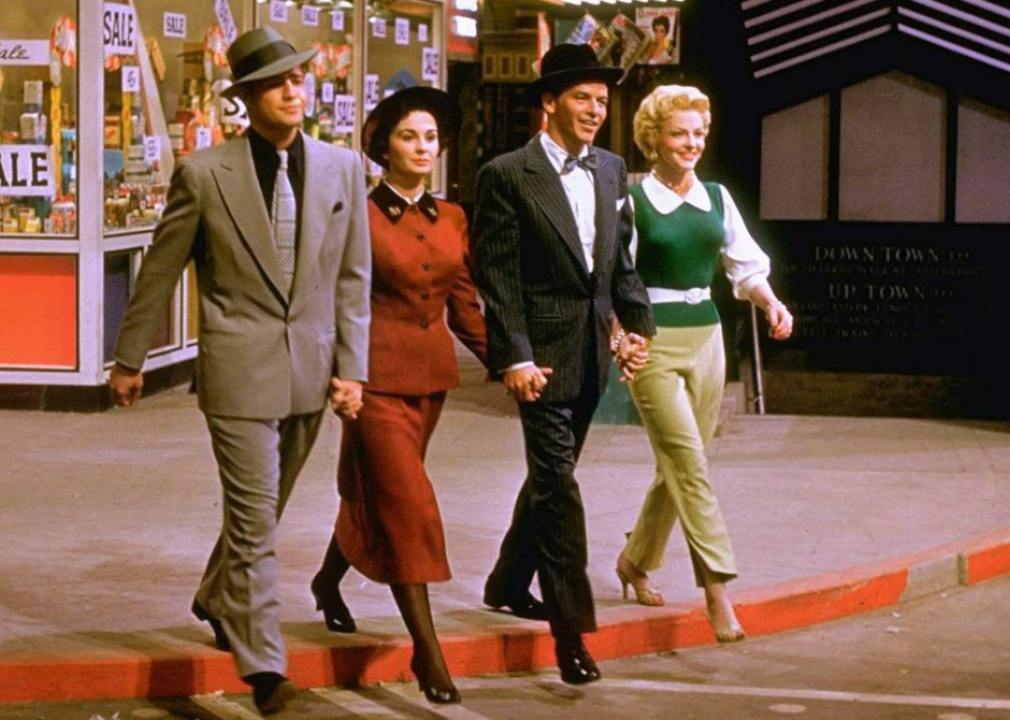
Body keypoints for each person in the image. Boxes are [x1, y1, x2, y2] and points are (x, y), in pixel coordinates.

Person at [107, 26, 371, 715]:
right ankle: (265, 672)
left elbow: (352, 279)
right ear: (247, 97)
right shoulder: (204, 173)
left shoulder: (343, 169)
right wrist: (130, 358)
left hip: (312, 369)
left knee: (268, 510)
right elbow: (160, 271)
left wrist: (353, 369)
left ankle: (214, 594)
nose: (293, 89)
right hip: (237, 370)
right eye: (277, 82)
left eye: (299, 78)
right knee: (255, 522)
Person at [472, 44, 655, 685]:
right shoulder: (506, 174)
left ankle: (503, 581)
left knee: (551, 480)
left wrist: (638, 329)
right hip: (540, 362)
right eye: (582, 97)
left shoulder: (610, 169)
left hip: (590, 358)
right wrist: (513, 356)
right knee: (560, 492)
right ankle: (571, 632)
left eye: (602, 101)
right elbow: (496, 279)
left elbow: (619, 267)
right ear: (549, 102)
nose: (594, 111)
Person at [310, 86, 487, 705]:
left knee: (378, 493)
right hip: (371, 380)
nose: (421, 147)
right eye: (409, 136)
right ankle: (428, 654)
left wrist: (509, 361)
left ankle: (327, 582)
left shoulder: (454, 218)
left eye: (431, 138)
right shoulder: (353, 212)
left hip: (431, 382)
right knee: (409, 505)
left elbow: (464, 303)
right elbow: (331, 299)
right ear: (382, 144)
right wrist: (337, 375)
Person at [612, 85, 793, 643]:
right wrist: (620, 336)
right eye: (678, 133)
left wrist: (771, 303)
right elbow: (612, 277)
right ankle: (716, 588)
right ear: (654, 140)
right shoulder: (633, 202)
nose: (690, 143)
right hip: (654, 342)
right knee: (689, 464)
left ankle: (635, 561)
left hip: (708, 337)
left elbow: (744, 262)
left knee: (681, 463)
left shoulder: (715, 197)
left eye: (698, 133)